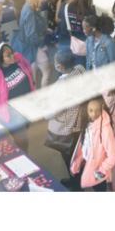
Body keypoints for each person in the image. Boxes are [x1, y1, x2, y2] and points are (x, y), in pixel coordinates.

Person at [44, 48, 86, 190]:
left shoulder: (59, 87)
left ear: (59, 66)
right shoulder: (80, 69)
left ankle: (76, 184)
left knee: (70, 158)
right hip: (82, 120)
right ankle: (82, 177)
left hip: (67, 128)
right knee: (80, 152)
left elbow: (51, 113)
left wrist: (44, 111)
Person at [69, 98, 115, 192]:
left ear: (102, 107)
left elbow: (114, 156)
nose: (94, 114)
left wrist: (100, 172)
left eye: (97, 110)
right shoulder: (87, 121)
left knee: (99, 190)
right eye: (90, 110)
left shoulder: (105, 130)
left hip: (98, 169)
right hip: (87, 163)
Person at [12, 0, 53, 89]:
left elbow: (30, 27)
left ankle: (35, 92)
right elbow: (31, 34)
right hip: (35, 46)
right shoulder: (31, 12)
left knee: (34, 66)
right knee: (47, 72)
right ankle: (45, 96)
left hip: (29, 48)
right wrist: (42, 46)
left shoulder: (27, 5)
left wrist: (44, 29)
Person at [0, 43, 36, 122]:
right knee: (22, 133)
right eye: (8, 55)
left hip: (28, 103)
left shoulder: (18, 57)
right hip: (13, 112)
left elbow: (28, 66)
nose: (12, 56)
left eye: (12, 52)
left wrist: (33, 83)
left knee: (27, 123)